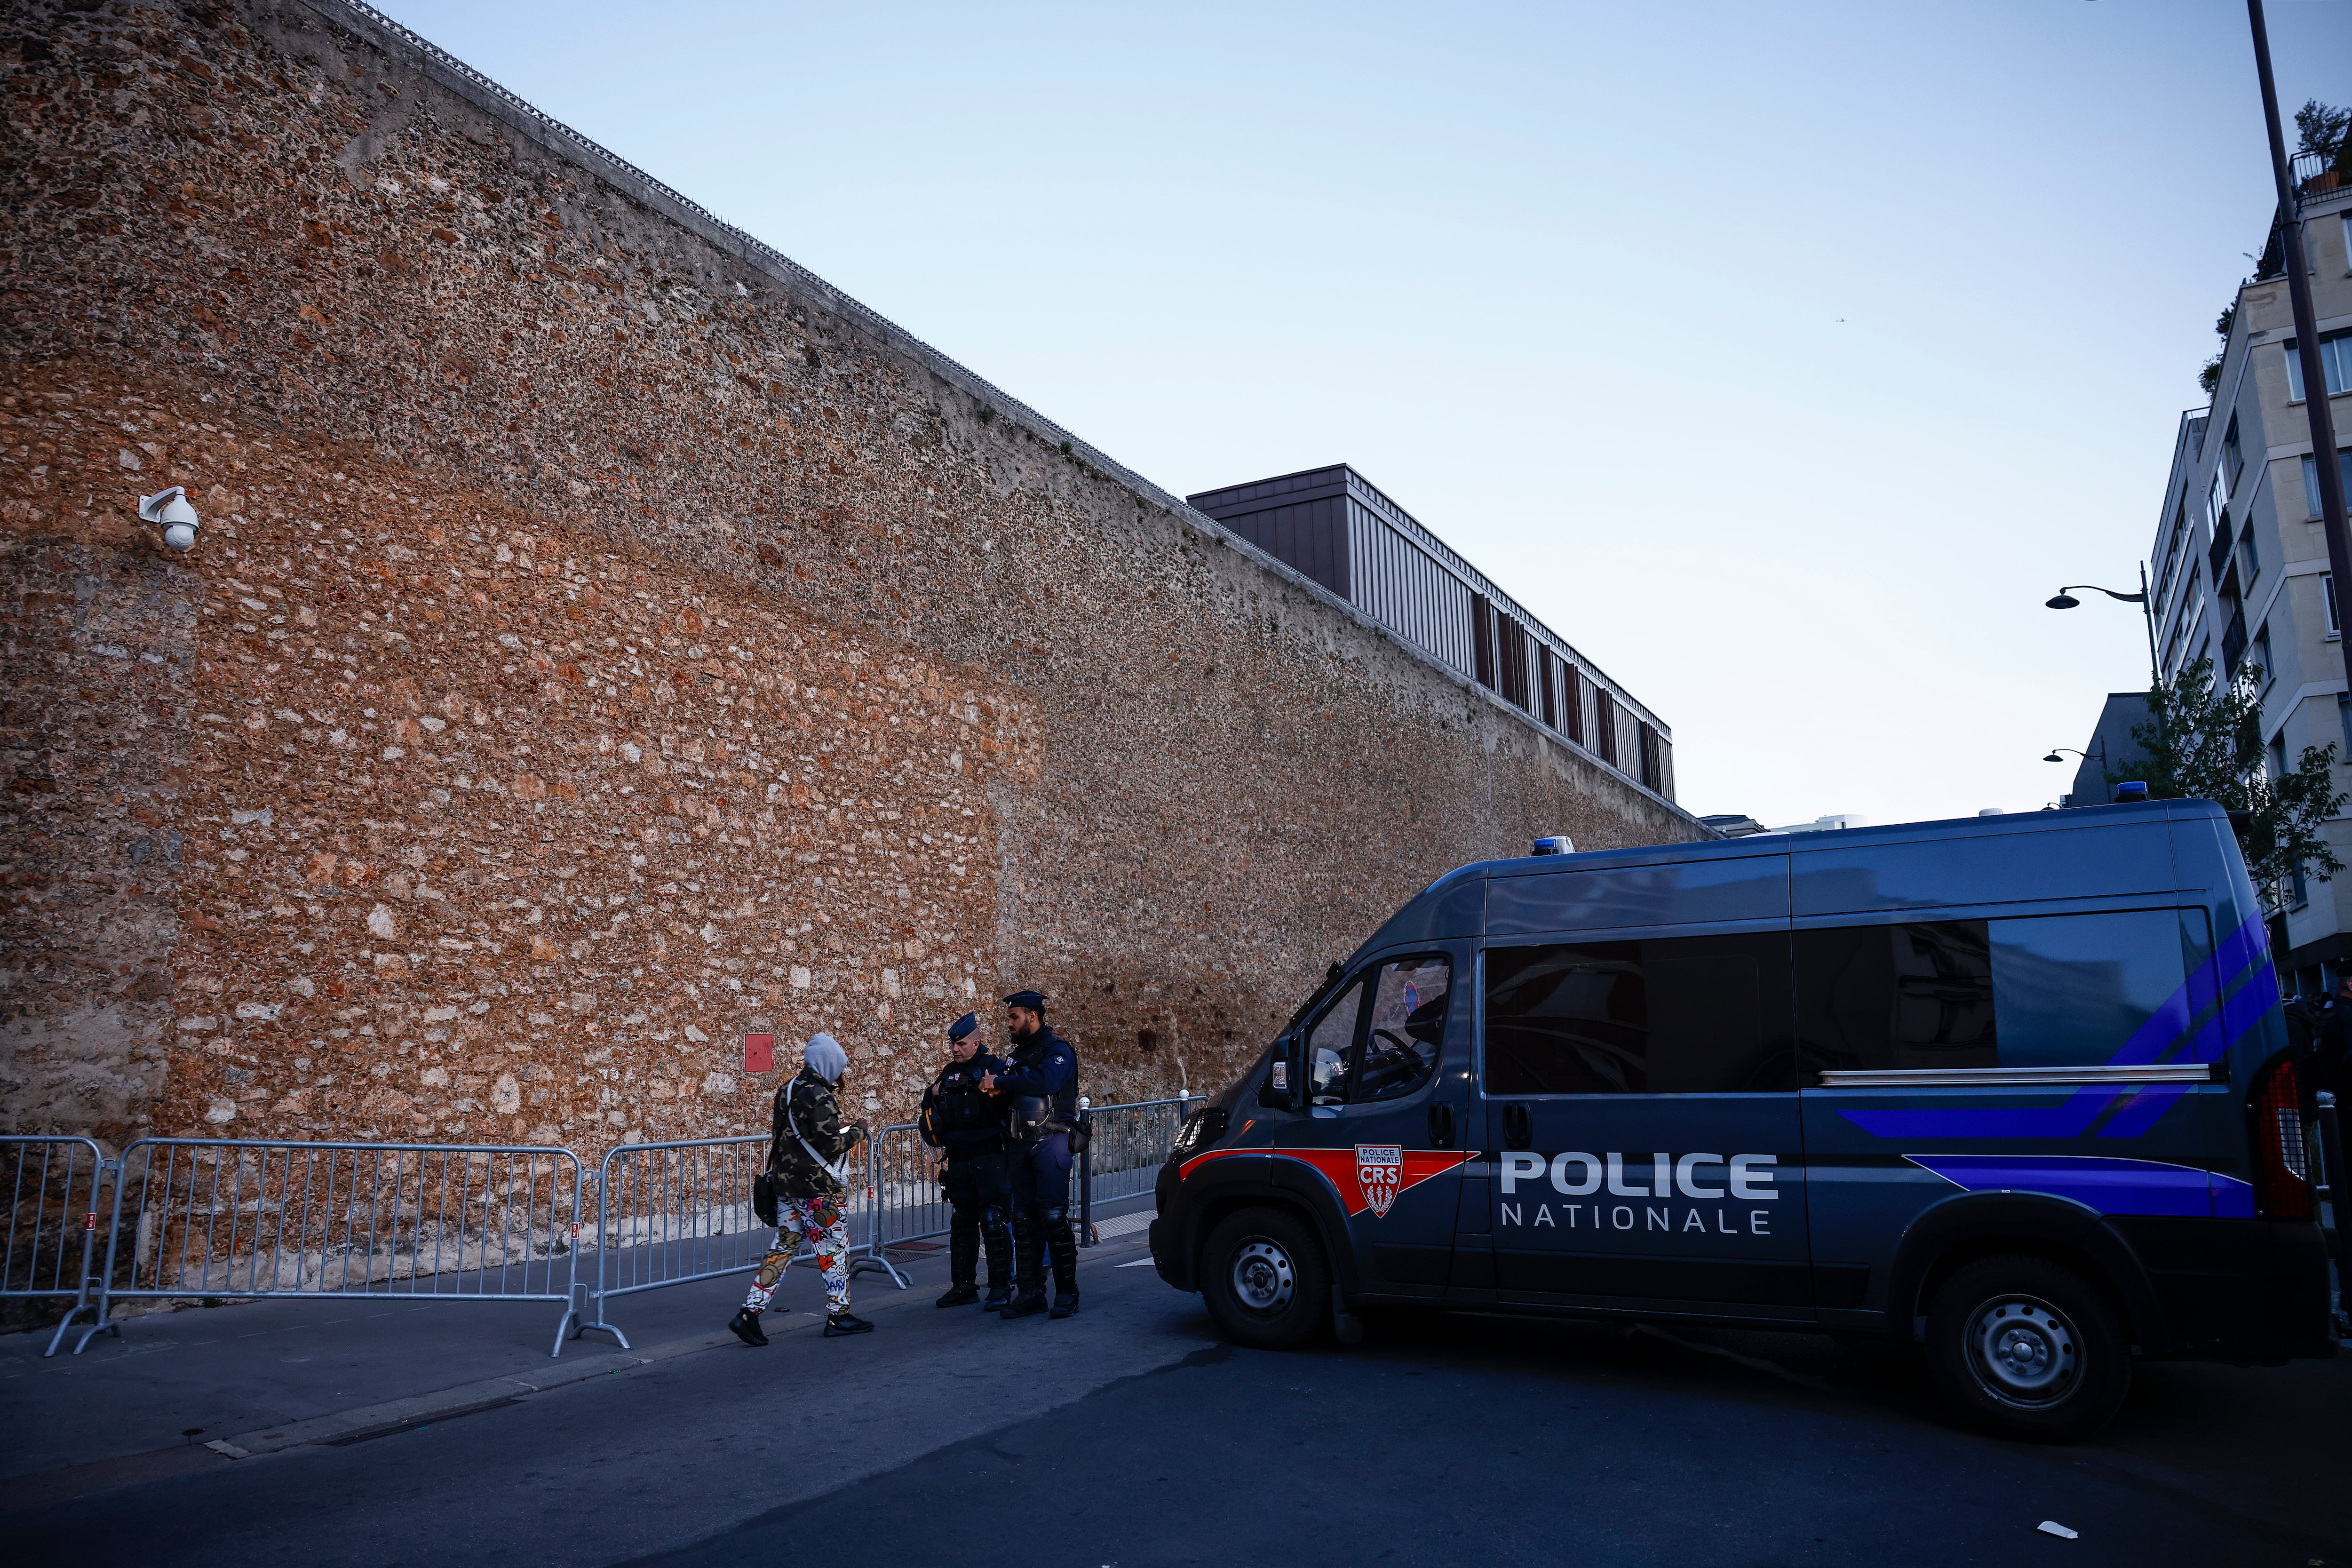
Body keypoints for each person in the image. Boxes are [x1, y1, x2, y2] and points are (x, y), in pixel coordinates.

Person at [728, 1033, 872, 1344]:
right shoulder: (820, 1095)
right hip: (817, 1191)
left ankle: (749, 1313)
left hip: (786, 1187)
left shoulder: (788, 1089)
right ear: (829, 1064)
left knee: (782, 1247)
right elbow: (832, 1143)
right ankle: (839, 1315)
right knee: (833, 1250)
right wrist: (859, 1131)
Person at [979, 989, 1081, 1321]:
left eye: (1014, 1017)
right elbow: (1005, 1092)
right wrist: (993, 1089)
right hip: (1019, 1144)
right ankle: (1030, 1292)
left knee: (1052, 1217)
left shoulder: (1058, 1050)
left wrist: (1005, 1083)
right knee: (1023, 1220)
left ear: (1033, 1017)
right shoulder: (1014, 1058)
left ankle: (1067, 1292)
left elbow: (1047, 1081)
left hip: (1051, 1140)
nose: (1009, 1023)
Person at [919, 1012, 1013, 1309]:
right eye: (953, 1045)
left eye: (961, 1044)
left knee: (994, 1221)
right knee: (962, 1224)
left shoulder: (996, 1068)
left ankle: (1000, 1287)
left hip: (990, 1158)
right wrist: (930, 1092)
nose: (956, 1049)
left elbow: (1014, 1098)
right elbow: (929, 1102)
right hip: (959, 1162)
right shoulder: (948, 1073)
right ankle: (963, 1287)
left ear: (976, 1043)